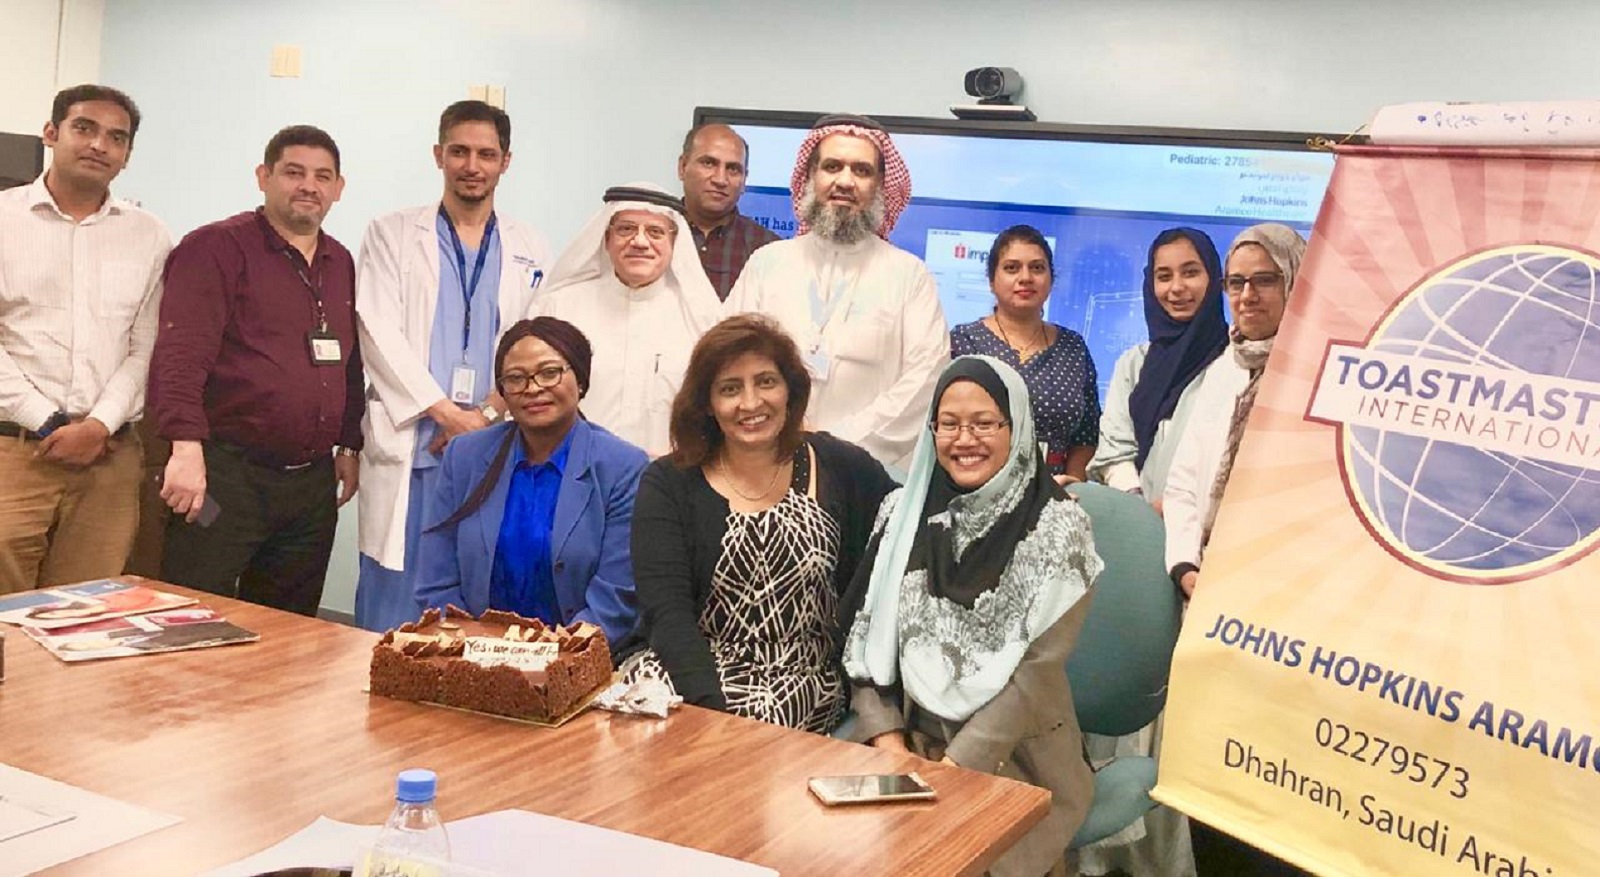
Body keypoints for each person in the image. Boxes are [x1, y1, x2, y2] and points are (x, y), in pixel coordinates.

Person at [844, 355, 1100, 877]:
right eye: (950, 424)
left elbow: (1034, 677)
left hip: (1015, 755)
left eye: (984, 423)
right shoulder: (902, 514)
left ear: (1017, 426)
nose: (965, 440)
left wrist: (955, 771)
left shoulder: (1058, 529)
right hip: (908, 742)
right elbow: (867, 642)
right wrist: (889, 742)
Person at [619, 314, 897, 732]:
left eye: (766, 382)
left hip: (799, 683)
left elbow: (909, 519)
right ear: (707, 404)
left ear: (790, 390)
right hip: (686, 674)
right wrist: (710, 714)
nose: (751, 403)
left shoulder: (841, 467)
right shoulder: (669, 482)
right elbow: (667, 613)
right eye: (730, 389)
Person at [352, 100, 552, 632]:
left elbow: (534, 342)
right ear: (438, 154)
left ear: (506, 161)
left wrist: (484, 415)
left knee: (476, 594)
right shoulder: (390, 232)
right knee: (395, 599)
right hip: (415, 441)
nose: (472, 165)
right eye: (459, 151)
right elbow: (376, 329)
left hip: (491, 444)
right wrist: (447, 415)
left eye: (486, 154)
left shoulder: (529, 244)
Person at [149, 125, 362, 616]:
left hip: (310, 487)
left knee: (290, 629)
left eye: (322, 176)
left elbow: (349, 360)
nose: (308, 185)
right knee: (193, 615)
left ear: (338, 188)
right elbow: (181, 354)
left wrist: (350, 441)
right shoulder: (215, 248)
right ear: (263, 177)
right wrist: (184, 447)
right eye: (293, 172)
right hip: (224, 477)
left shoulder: (340, 260)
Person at [0, 84, 171, 593]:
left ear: (126, 156)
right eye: (84, 128)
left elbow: (145, 346)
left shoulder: (150, 234)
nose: (99, 145)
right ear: (51, 133)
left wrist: (98, 426)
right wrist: (49, 421)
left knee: (84, 617)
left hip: (109, 460)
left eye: (116, 138)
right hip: (16, 452)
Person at [726, 114, 947, 470]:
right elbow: (728, 361)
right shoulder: (767, 264)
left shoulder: (909, 275)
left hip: (865, 472)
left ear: (879, 185)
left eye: (861, 171)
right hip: (765, 461)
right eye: (832, 166)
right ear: (812, 176)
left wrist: (832, 444)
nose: (845, 181)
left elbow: (925, 382)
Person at [414, 317, 646, 645]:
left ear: (580, 379)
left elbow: (617, 596)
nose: (533, 388)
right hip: (473, 653)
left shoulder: (622, 467)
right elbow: (436, 579)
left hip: (575, 657)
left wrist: (554, 653)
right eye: (516, 378)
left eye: (550, 373)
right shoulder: (465, 455)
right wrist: (470, 646)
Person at [1164, 224, 1307, 597]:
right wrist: (1184, 565)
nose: (1248, 295)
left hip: (1289, 587)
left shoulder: (1321, 376)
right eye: (1236, 282)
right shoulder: (1224, 370)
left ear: (1296, 281)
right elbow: (1183, 481)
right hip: (1208, 580)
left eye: (1264, 280)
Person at [532, 184, 720, 456]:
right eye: (626, 229)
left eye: (655, 232)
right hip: (570, 476)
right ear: (606, 238)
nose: (640, 242)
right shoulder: (558, 308)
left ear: (674, 243)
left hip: (666, 484)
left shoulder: (701, 320)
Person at [1088, 227, 1228, 506]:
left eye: (1190, 272)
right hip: (1137, 529)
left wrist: (1179, 508)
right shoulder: (1134, 363)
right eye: (1164, 277)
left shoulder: (1237, 361)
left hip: (1212, 528)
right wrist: (1139, 510)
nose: (1176, 288)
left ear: (1214, 279)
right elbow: (1115, 452)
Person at [951, 225, 1100, 483]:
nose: (1026, 277)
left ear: (1051, 279)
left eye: (1037, 268)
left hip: (1058, 491)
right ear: (991, 281)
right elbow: (950, 430)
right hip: (980, 488)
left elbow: (1086, 434)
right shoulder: (965, 343)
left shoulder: (1073, 348)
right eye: (1011, 268)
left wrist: (1073, 482)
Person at [678, 122, 778, 300]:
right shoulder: (651, 236)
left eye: (733, 169)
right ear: (682, 167)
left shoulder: (768, 249)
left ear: (744, 180)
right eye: (709, 163)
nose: (720, 179)